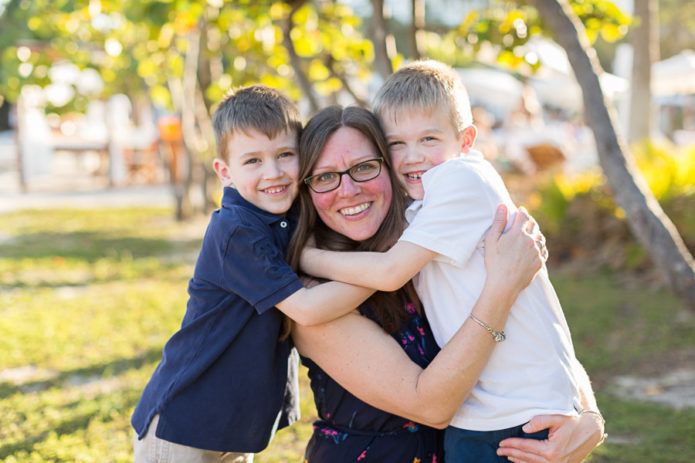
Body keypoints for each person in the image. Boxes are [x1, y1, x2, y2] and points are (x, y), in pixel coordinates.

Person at [299, 61, 606, 462]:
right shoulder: (411, 227)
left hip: (510, 421)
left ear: (465, 140)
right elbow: (431, 403)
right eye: (326, 177)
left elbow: (538, 322)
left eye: (363, 167)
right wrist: (502, 289)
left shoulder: (443, 197)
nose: (350, 188)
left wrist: (589, 414)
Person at [131, 85, 376, 463]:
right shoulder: (236, 230)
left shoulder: (288, 217)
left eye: (284, 155)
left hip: (232, 423)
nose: (273, 173)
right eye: (253, 162)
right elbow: (307, 309)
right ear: (224, 172)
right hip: (183, 423)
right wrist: (383, 270)